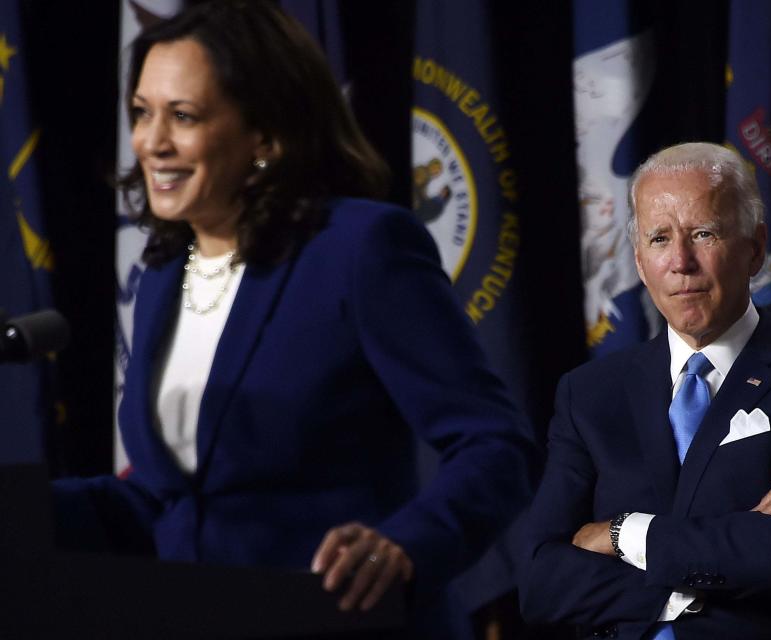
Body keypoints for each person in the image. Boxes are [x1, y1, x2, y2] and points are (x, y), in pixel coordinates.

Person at [53, 2, 536, 638]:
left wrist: (407, 546)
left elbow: (497, 444)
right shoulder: (165, 272)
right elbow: (170, 499)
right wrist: (28, 509)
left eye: (183, 116)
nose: (150, 141)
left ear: (266, 134)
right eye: (142, 112)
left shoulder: (360, 250)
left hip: (342, 621)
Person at [520, 142, 771, 639]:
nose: (681, 261)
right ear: (641, 262)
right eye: (660, 238)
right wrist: (732, 546)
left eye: (703, 233)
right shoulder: (589, 394)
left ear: (754, 248)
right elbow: (541, 581)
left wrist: (624, 533)